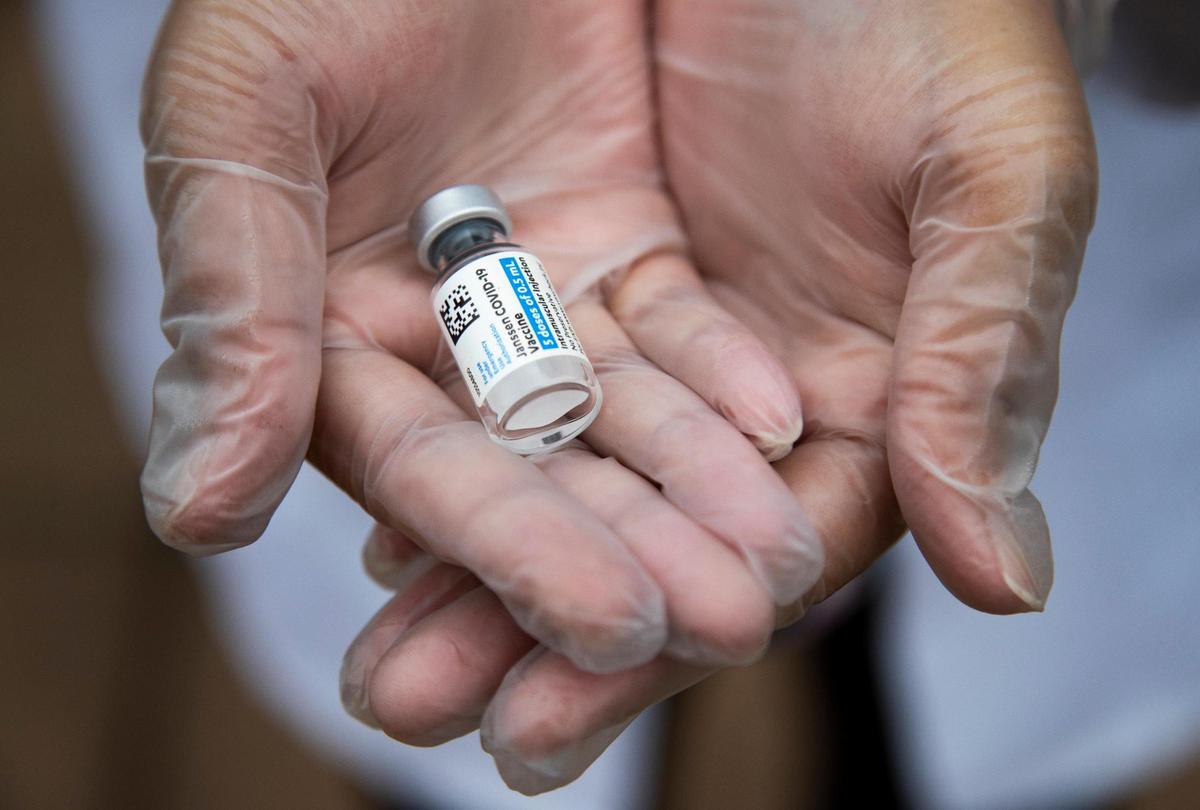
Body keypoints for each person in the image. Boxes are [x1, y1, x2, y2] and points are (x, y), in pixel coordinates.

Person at [132, 0, 1099, 797]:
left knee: (854, 594)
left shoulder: (475, 279)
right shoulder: (471, 281)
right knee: (608, 598)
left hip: (860, 256)